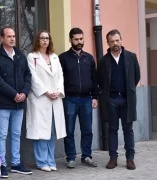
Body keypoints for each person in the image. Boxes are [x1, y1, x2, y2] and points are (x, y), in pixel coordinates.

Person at [0, 26, 32, 178]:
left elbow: (28, 76)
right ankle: (1, 165)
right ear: (1, 38)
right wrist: (14, 94)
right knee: (1, 135)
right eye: (9, 36)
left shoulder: (20, 55)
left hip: (19, 103)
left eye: (13, 36)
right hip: (3, 103)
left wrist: (24, 93)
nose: (12, 39)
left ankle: (16, 163)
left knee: (16, 134)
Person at [97, 29, 140, 170]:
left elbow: (136, 76)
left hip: (127, 99)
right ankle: (113, 158)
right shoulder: (103, 61)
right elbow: (100, 80)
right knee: (112, 129)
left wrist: (129, 90)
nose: (115, 43)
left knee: (128, 130)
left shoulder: (131, 57)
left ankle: (130, 159)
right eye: (112, 41)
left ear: (121, 39)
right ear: (107, 43)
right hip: (112, 100)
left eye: (117, 40)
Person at [25, 30, 66, 172]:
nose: (45, 40)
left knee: (51, 131)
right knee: (41, 132)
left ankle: (51, 160)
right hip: (40, 98)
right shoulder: (32, 57)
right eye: (42, 38)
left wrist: (58, 91)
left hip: (55, 98)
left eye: (47, 38)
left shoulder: (54, 57)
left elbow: (60, 75)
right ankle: (42, 161)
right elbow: (33, 77)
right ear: (38, 40)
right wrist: (46, 92)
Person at [59, 28, 98, 168]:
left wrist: (95, 97)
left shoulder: (89, 58)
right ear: (70, 40)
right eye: (76, 39)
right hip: (69, 98)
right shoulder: (63, 58)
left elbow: (94, 78)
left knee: (87, 130)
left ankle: (86, 156)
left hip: (87, 99)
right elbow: (59, 79)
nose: (79, 42)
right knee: (69, 130)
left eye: (81, 39)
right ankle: (70, 157)